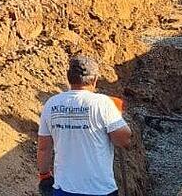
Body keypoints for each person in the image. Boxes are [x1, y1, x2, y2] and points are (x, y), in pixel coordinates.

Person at [37, 55, 133, 196]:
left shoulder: (51, 104)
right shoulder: (103, 103)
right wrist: (117, 119)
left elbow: (44, 148)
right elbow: (123, 140)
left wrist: (44, 176)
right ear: (94, 80)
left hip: (63, 189)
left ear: (69, 77)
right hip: (99, 190)